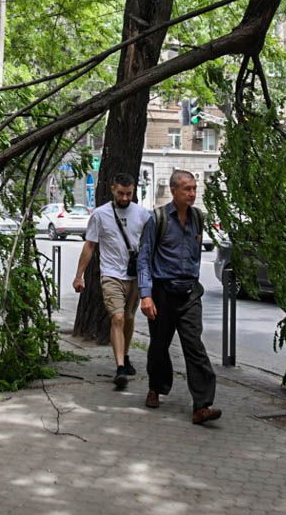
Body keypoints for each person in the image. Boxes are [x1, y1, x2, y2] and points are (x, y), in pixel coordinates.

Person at [137, 170, 221, 425]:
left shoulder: (197, 218)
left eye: (194, 188)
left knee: (194, 346)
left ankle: (202, 405)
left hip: (189, 293)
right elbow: (144, 257)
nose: (192, 193)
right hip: (162, 292)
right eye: (187, 189)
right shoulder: (158, 219)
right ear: (174, 191)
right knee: (159, 345)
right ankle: (156, 387)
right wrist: (146, 295)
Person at [73, 173, 150, 389]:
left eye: (129, 194)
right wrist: (79, 275)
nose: (125, 198)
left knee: (129, 317)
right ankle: (120, 368)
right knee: (117, 317)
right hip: (111, 274)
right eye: (121, 193)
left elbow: (150, 244)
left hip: (134, 275)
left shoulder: (143, 214)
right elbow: (90, 245)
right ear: (113, 189)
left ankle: (125, 355)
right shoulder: (100, 214)